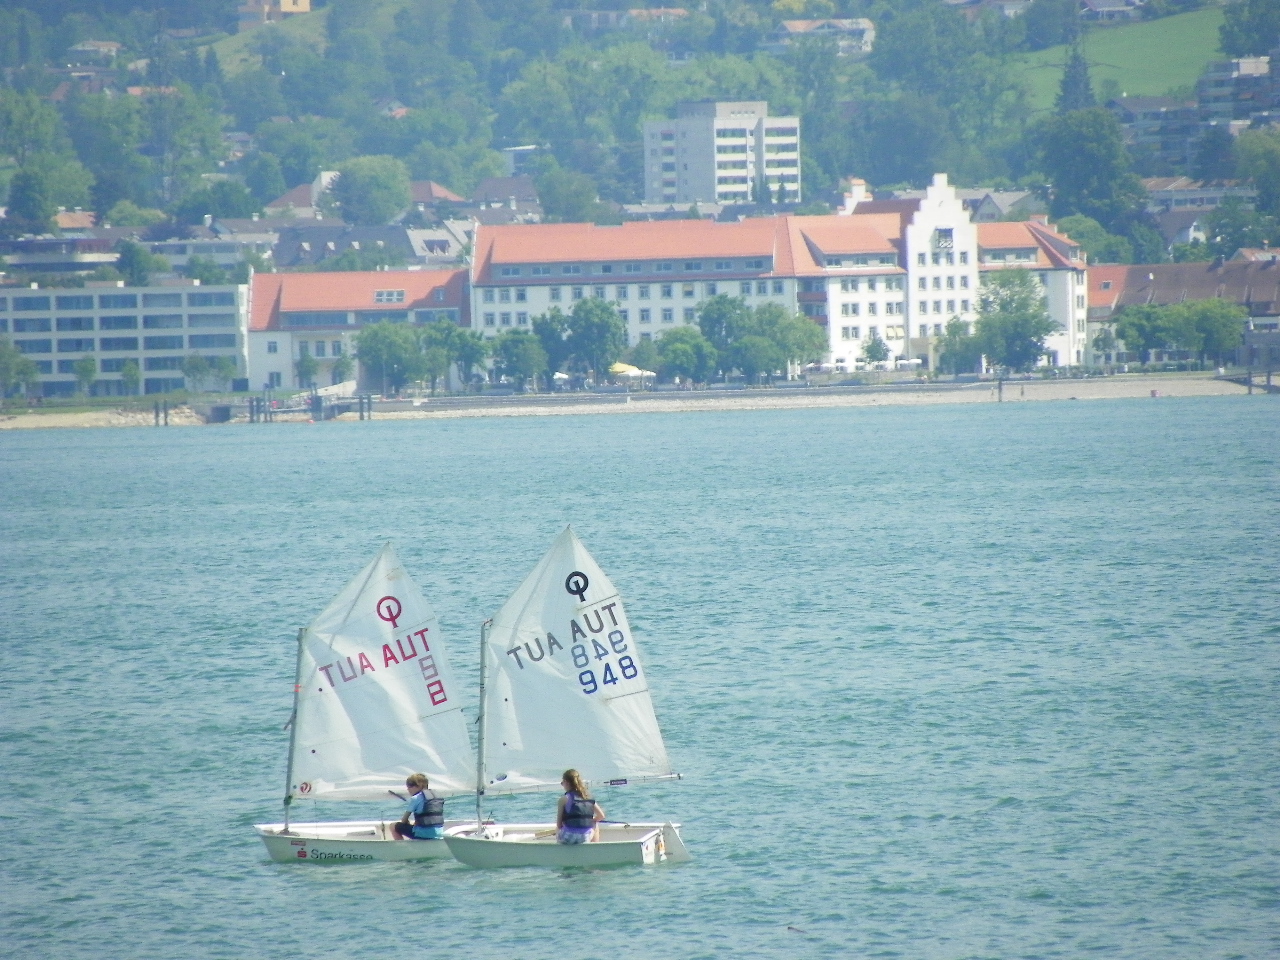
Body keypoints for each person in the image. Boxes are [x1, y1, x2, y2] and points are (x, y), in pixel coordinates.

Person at [556, 769, 604, 844]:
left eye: (562, 783)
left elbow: (559, 825)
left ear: (566, 782)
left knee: (558, 829)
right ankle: (594, 847)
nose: (562, 785)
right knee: (595, 824)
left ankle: (561, 849)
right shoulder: (588, 797)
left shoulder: (563, 799)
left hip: (568, 838)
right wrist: (590, 820)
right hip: (584, 837)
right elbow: (601, 816)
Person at [393, 773, 445, 840]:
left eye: (409, 786)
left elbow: (404, 820)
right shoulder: (437, 796)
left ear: (418, 785)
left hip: (424, 834)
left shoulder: (415, 798)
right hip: (439, 833)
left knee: (393, 826)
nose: (408, 789)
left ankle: (401, 846)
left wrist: (407, 823)